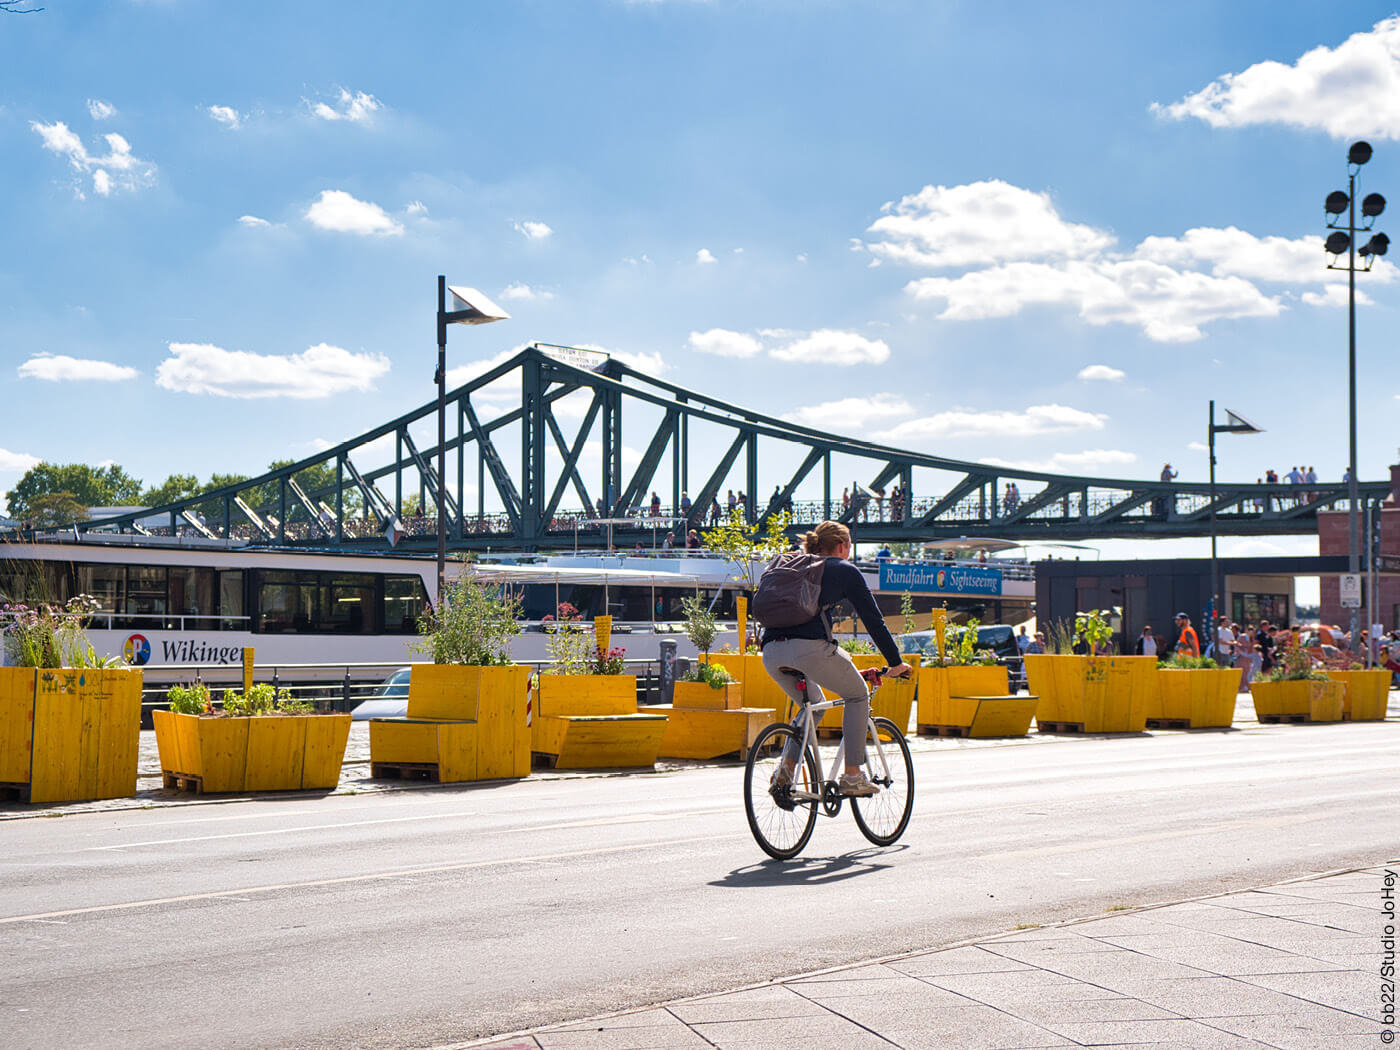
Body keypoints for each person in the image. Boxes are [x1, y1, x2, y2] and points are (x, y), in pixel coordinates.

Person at [760, 521, 912, 797]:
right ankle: (853, 776)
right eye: (850, 547)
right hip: (810, 650)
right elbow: (873, 621)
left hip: (771, 651)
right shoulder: (843, 570)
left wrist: (851, 668)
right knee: (857, 696)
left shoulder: (792, 565)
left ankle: (786, 768)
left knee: (814, 705)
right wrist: (896, 662)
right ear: (842, 546)